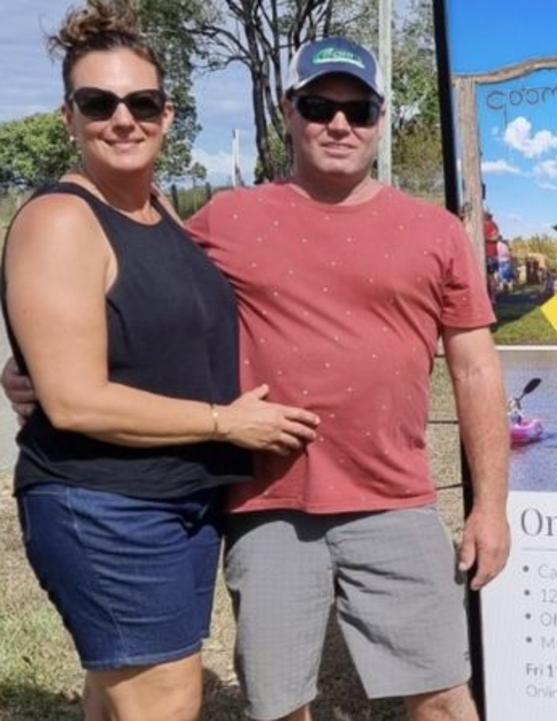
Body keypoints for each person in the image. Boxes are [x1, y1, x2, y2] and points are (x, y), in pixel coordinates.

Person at [6, 36, 509, 721]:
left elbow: (476, 367)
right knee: (277, 704)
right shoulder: (226, 219)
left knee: (445, 695)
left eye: (358, 109)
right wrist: (36, 369)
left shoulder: (437, 230)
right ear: (288, 111)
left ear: (381, 118)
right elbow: (128, 284)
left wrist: (489, 506)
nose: (339, 123)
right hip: (265, 505)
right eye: (318, 105)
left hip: (396, 499)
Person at [1, 2, 318, 720]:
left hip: (175, 500)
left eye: (141, 102)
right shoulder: (60, 220)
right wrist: (224, 422)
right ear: (69, 117)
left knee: (122, 696)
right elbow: (76, 401)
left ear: (168, 116)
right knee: (166, 698)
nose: (123, 118)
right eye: (99, 102)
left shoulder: (162, 209)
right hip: (106, 505)